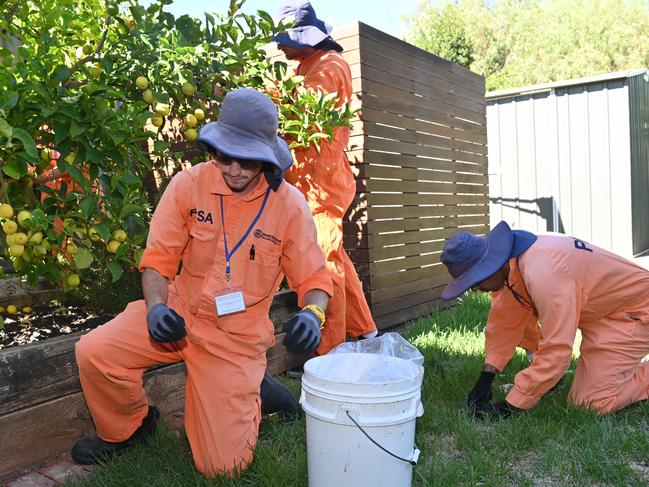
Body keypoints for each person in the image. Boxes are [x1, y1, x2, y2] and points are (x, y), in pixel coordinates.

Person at [70, 88, 334, 477]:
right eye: (224, 156)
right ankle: (129, 430)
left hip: (234, 337)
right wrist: (157, 307)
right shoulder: (187, 186)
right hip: (178, 312)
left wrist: (313, 314)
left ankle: (255, 388)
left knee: (220, 468)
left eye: (247, 161)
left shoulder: (289, 207)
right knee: (95, 351)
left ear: (267, 158)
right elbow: (158, 260)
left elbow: (314, 279)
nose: (233, 170)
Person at [440, 220, 649, 418]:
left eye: (475, 282)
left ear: (490, 266)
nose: (476, 290)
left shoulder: (545, 274)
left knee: (592, 404)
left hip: (634, 314)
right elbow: (504, 321)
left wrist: (513, 405)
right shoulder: (512, 262)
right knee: (582, 400)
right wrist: (487, 376)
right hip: (604, 313)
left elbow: (557, 350)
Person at [273, 0, 378, 356]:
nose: (279, 46)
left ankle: (329, 353)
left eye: (285, 39)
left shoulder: (330, 65)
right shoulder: (306, 66)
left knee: (321, 265)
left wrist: (261, 94)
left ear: (306, 38)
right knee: (335, 258)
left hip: (320, 187)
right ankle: (365, 333)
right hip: (311, 185)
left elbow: (305, 109)